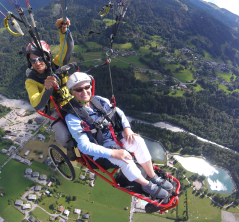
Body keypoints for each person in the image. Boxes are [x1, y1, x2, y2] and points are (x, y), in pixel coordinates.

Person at [65, 72, 173, 199]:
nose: (84, 92)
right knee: (125, 159)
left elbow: (117, 112)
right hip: (100, 152)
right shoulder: (73, 116)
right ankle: (146, 185)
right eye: (79, 89)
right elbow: (84, 146)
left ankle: (152, 176)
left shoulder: (98, 100)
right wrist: (114, 153)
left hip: (115, 138)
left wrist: (127, 128)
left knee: (138, 141)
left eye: (87, 87)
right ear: (72, 92)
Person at [25, 18, 75, 159]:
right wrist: (47, 89)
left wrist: (63, 31)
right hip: (54, 110)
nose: (37, 63)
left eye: (40, 58)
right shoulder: (31, 81)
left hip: (70, 100)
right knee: (64, 136)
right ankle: (69, 146)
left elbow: (67, 49)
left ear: (47, 57)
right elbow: (36, 104)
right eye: (33, 60)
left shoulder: (56, 65)